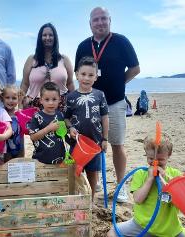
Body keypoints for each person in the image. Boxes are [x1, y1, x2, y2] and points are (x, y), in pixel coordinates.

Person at [75, 7, 140, 202]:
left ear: (110, 21)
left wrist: (120, 83)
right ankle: (90, 186)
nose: (100, 22)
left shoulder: (121, 41)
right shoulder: (83, 46)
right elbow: (79, 73)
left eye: (103, 19)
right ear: (90, 24)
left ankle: (120, 186)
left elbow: (135, 68)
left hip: (114, 102)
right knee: (90, 145)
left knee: (117, 144)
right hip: (89, 103)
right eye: (96, 20)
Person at [107, 133, 185, 237]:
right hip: (142, 225)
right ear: (146, 154)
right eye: (151, 159)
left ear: (169, 155)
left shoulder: (175, 175)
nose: (155, 163)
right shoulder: (140, 174)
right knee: (112, 233)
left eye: (160, 160)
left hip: (169, 229)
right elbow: (138, 199)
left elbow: (183, 203)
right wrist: (150, 179)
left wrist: (166, 181)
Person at [64, 56, 109, 200]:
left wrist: (105, 139)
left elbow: (105, 117)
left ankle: (91, 200)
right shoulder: (71, 97)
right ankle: (75, 198)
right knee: (74, 172)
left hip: (95, 143)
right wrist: (70, 128)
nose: (86, 78)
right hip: (77, 143)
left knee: (93, 172)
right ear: (77, 74)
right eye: (83, 74)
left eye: (91, 75)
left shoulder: (99, 95)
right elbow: (65, 117)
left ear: (96, 77)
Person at [21, 23, 75, 111]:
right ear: (40, 38)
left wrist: (74, 104)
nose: (47, 38)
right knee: (37, 125)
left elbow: (70, 84)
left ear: (55, 38)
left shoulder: (64, 59)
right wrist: (21, 103)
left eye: (51, 35)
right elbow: (24, 84)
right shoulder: (31, 59)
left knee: (61, 125)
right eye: (44, 35)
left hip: (61, 108)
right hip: (35, 107)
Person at [27, 82, 65, 164]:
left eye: (54, 99)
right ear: (41, 100)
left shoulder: (60, 115)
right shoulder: (36, 116)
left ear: (59, 100)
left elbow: (63, 135)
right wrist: (48, 128)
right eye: (47, 99)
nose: (51, 103)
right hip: (41, 160)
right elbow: (33, 137)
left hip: (60, 159)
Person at [2, 85, 25, 161]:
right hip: (6, 147)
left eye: (14, 98)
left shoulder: (19, 112)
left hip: (19, 145)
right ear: (2, 99)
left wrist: (21, 102)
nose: (10, 100)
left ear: (18, 99)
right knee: (7, 164)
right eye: (7, 97)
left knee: (20, 163)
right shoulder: (1, 113)